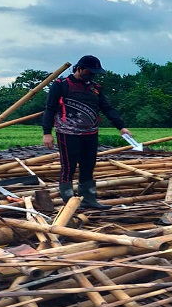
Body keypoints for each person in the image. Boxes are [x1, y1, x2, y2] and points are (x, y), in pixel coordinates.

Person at [42, 55, 131, 209]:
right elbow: (49, 109)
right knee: (68, 166)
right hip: (67, 133)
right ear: (79, 69)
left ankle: (88, 198)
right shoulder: (61, 84)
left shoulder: (95, 88)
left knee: (88, 165)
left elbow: (107, 108)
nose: (91, 76)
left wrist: (121, 126)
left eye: (94, 73)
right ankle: (68, 201)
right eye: (89, 72)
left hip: (90, 133)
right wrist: (47, 133)